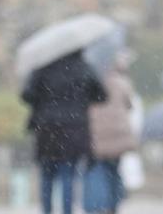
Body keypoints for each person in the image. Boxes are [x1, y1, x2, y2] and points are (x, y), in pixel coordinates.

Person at [22, 50, 108, 214]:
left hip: (47, 128)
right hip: (74, 128)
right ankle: (67, 211)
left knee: (47, 175)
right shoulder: (83, 68)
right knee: (68, 174)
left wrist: (45, 97)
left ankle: (47, 211)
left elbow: (27, 95)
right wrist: (80, 98)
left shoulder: (42, 68)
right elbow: (101, 96)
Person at [84, 51, 139, 214]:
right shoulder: (122, 82)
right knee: (114, 170)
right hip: (118, 134)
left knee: (97, 170)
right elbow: (130, 105)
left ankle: (99, 205)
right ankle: (114, 205)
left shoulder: (90, 82)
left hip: (96, 134)